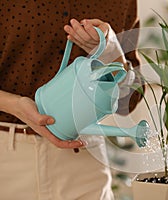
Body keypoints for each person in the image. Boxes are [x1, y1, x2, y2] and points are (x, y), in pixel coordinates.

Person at [0, 0, 143, 199]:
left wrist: (112, 53)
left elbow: (130, 100)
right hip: (6, 161)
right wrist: (15, 106)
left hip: (85, 164)